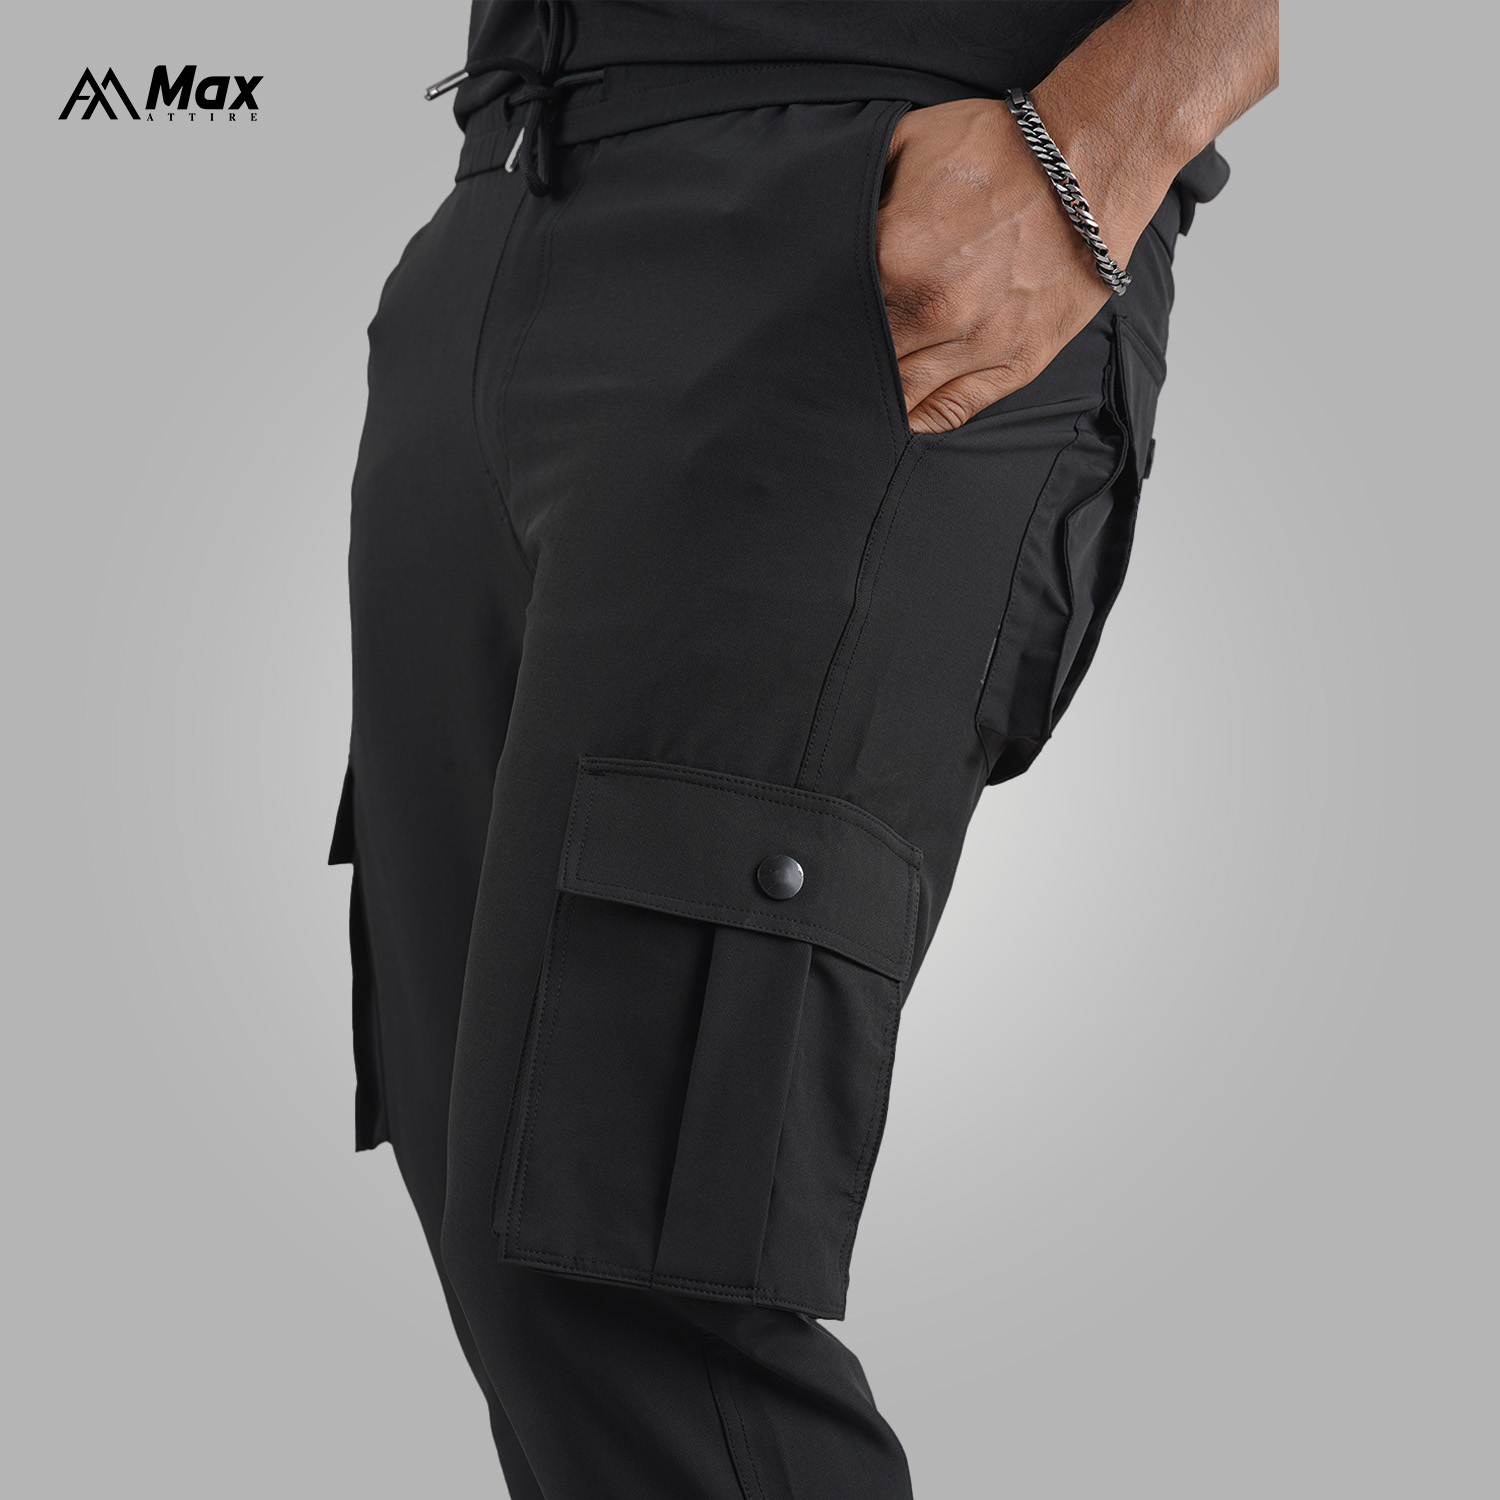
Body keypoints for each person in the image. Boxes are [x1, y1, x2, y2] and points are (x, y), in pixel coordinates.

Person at [328, 2, 1278, 1493]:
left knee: (616, 1255)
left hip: (872, 202)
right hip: (509, 192)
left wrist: (1084, 155)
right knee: (500, 1230)